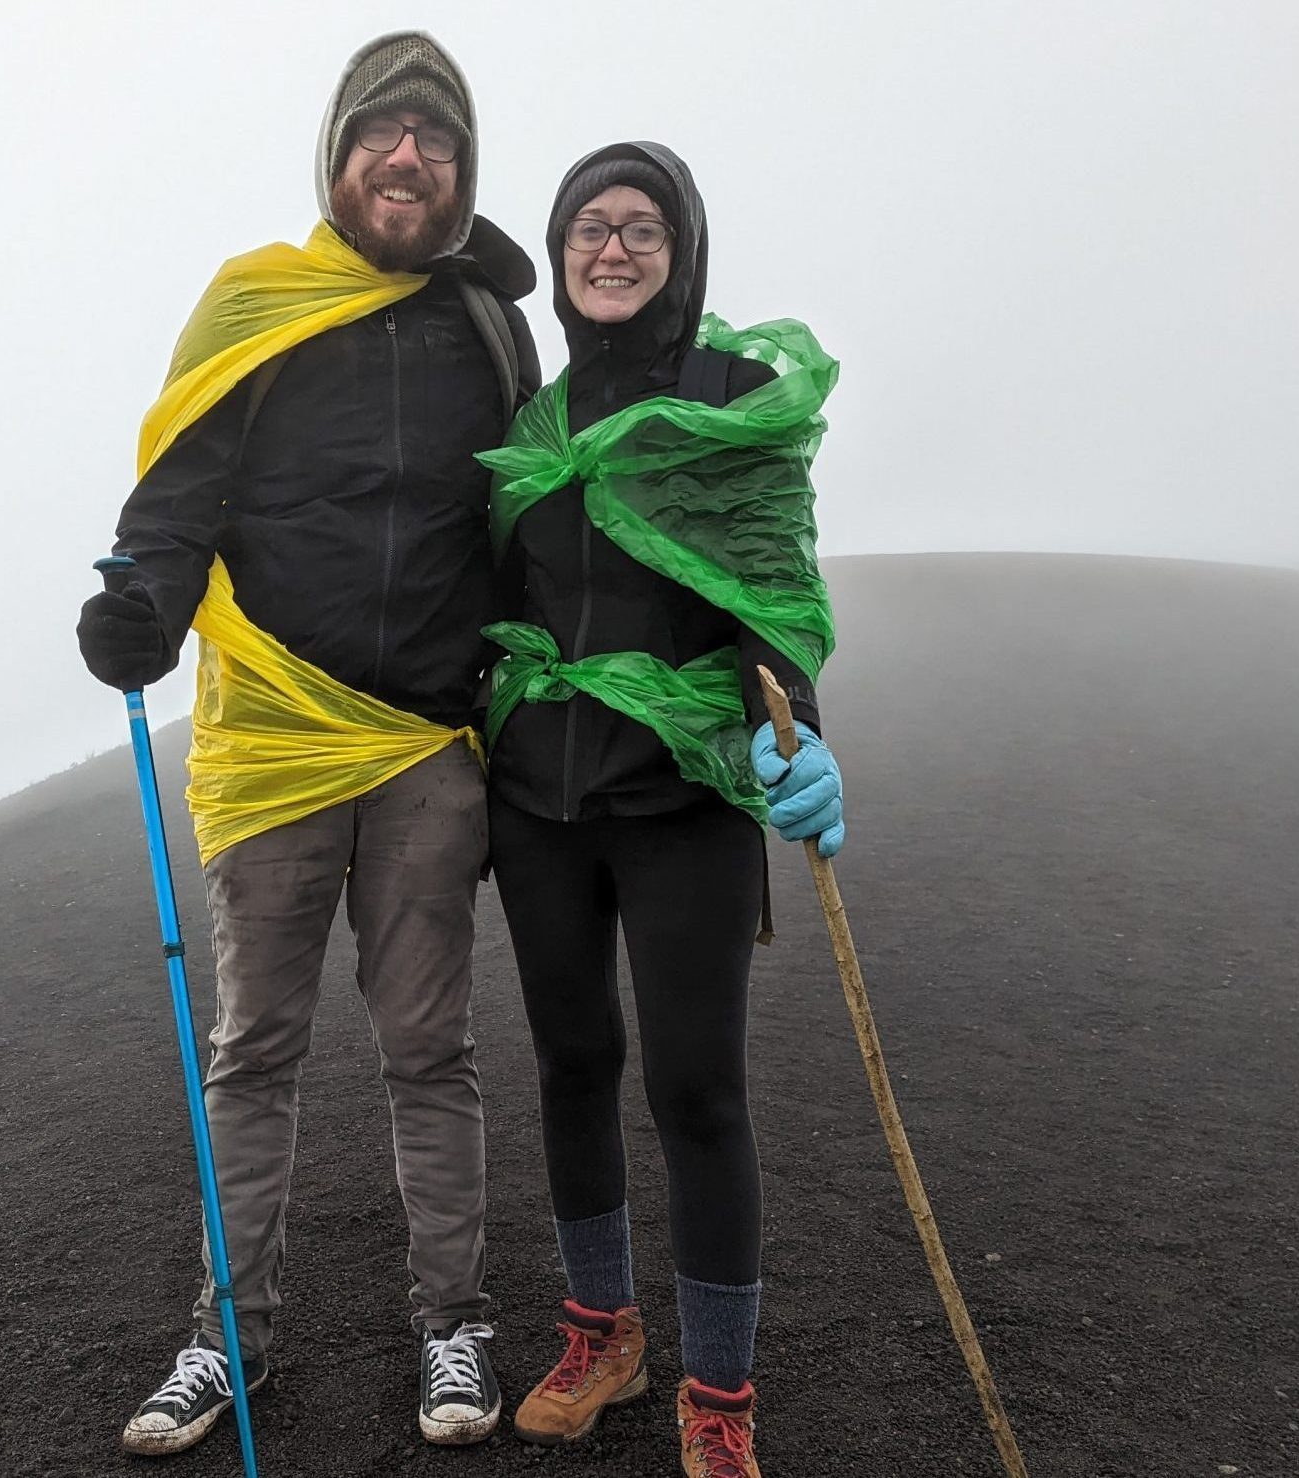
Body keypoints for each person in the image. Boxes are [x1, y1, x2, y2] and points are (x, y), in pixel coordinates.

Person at [72, 30, 541, 1458]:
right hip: (273, 738)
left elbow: (525, 516)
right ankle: (230, 1335)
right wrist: (143, 598)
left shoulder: (488, 329)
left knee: (429, 1046)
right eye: (383, 133)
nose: (409, 156)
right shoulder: (255, 307)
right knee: (254, 1047)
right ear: (336, 156)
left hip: (419, 747)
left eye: (438, 138)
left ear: (462, 172)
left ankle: (453, 1322)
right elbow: (184, 482)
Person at [475, 142, 844, 1478]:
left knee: (699, 1091)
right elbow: (494, 603)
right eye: (588, 227)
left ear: (680, 253)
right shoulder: (536, 427)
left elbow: (769, 592)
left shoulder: (730, 399)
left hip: (681, 802)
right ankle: (601, 1334)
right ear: (563, 256)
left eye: (641, 228)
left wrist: (798, 725)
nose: (611, 248)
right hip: (539, 805)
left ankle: (721, 1394)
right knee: (573, 1065)